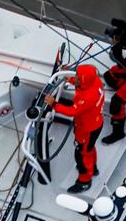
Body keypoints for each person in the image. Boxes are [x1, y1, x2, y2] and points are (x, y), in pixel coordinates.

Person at [44, 64, 105, 193]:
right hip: (95, 124)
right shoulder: (95, 82)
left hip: (87, 129)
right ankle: (93, 169)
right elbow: (82, 84)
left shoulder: (87, 98)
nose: (75, 78)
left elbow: (72, 111)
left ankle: (84, 180)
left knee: (81, 154)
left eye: (78, 77)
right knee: (89, 148)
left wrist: (54, 104)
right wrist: (69, 79)